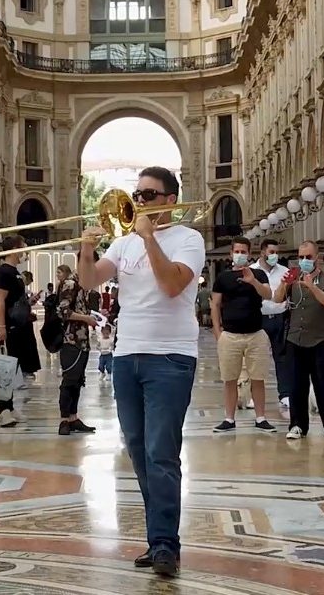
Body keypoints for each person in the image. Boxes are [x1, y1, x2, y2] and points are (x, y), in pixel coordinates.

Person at [78, 166, 206, 577]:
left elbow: (172, 284)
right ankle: (159, 536)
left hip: (171, 357)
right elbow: (89, 280)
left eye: (148, 194)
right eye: (137, 194)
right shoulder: (123, 243)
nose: (139, 201)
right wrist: (85, 248)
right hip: (127, 355)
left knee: (160, 452)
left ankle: (165, 542)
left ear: (170, 200)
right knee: (137, 451)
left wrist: (150, 237)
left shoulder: (189, 239)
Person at [273, 240, 324, 441]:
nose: (304, 261)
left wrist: (311, 287)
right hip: (295, 339)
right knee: (297, 386)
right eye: (301, 257)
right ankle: (297, 425)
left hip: (320, 340)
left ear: (316, 258)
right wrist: (283, 284)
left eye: (308, 257)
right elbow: (278, 299)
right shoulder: (292, 278)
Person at [211, 236, 275, 433]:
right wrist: (217, 331)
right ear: (231, 254)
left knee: (258, 377)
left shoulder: (259, 274)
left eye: (243, 252)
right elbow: (215, 304)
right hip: (230, 335)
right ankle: (229, 419)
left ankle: (261, 417)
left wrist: (252, 280)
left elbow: (268, 294)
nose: (240, 255)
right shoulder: (223, 278)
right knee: (229, 378)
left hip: (255, 333)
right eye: (236, 251)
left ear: (249, 254)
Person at [0, 235, 34, 428]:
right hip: (10, 326)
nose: (24, 250)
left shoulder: (15, 272)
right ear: (13, 249)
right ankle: (4, 410)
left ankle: (10, 405)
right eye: (22, 246)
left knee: (16, 367)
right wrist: (1, 326)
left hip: (21, 326)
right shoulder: (3, 272)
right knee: (6, 367)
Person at [56, 263, 97, 435]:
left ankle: (73, 417)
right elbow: (63, 311)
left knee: (78, 380)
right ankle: (64, 419)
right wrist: (87, 319)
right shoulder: (70, 284)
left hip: (82, 340)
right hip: (70, 339)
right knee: (69, 379)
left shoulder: (83, 286)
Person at [251, 238, 292, 407]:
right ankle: (254, 396)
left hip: (280, 318)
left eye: (277, 252)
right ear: (262, 252)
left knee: (282, 357)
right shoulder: (252, 271)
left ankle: (285, 393)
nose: (275, 255)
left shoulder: (284, 271)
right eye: (271, 252)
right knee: (256, 358)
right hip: (259, 318)